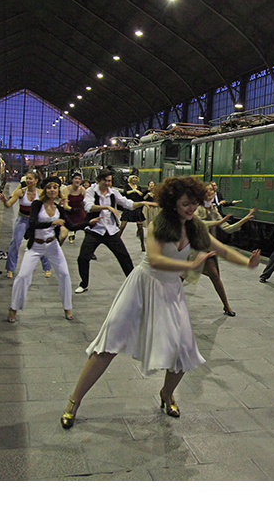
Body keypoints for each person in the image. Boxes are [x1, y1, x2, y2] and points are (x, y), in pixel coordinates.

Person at [60, 176, 261, 428]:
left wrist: (247, 263)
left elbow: (221, 249)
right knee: (108, 343)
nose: (191, 209)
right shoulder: (160, 224)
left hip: (170, 291)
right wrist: (189, 264)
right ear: (173, 202)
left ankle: (166, 394)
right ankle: (74, 400)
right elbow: (154, 259)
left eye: (194, 203)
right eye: (186, 204)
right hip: (142, 285)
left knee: (183, 349)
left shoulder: (196, 226)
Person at [7, 176, 75, 323]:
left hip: (53, 247)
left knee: (64, 274)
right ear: (45, 189)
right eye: (49, 187)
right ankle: (13, 308)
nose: (52, 190)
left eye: (55, 187)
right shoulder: (37, 204)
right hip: (35, 246)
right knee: (23, 276)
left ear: (58, 190)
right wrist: (52, 223)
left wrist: (90, 222)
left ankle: (67, 307)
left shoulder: (59, 208)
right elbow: (33, 223)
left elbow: (72, 225)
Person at [74, 168, 146, 294]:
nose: (108, 184)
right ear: (98, 181)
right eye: (105, 181)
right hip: (95, 230)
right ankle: (83, 283)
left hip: (111, 231)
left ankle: (133, 283)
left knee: (124, 257)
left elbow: (127, 203)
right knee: (83, 258)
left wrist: (143, 202)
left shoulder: (113, 193)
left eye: (110, 181)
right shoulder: (91, 191)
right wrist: (107, 207)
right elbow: (89, 207)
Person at [189, 183, 256, 316]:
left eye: (212, 191)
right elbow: (198, 224)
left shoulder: (213, 209)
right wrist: (216, 223)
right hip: (195, 247)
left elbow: (226, 228)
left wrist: (243, 220)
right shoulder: (197, 207)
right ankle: (164, 299)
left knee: (215, 276)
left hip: (208, 248)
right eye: (208, 191)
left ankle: (226, 306)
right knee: (182, 275)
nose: (211, 193)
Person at [0, 169, 53, 279]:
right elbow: (8, 205)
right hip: (22, 219)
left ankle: (47, 268)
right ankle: (10, 268)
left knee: (42, 243)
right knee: (15, 243)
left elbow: (47, 206)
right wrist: (4, 200)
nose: (28, 181)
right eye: (27, 178)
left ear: (36, 180)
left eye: (30, 179)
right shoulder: (21, 192)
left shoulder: (41, 193)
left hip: (36, 221)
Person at [119, 172, 149, 252]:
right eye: (133, 178)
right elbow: (125, 193)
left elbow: (141, 196)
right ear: (130, 178)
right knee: (122, 226)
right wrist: (133, 191)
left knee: (140, 226)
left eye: (136, 178)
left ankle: (142, 244)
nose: (135, 179)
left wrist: (138, 192)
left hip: (136, 208)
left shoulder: (138, 187)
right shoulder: (126, 186)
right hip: (128, 207)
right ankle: (116, 241)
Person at [60, 170, 87, 244]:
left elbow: (85, 202)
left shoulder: (82, 189)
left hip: (79, 211)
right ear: (72, 180)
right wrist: (71, 209)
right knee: (63, 235)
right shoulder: (67, 189)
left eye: (79, 179)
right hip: (69, 212)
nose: (77, 180)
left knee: (88, 228)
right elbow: (65, 205)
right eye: (75, 178)